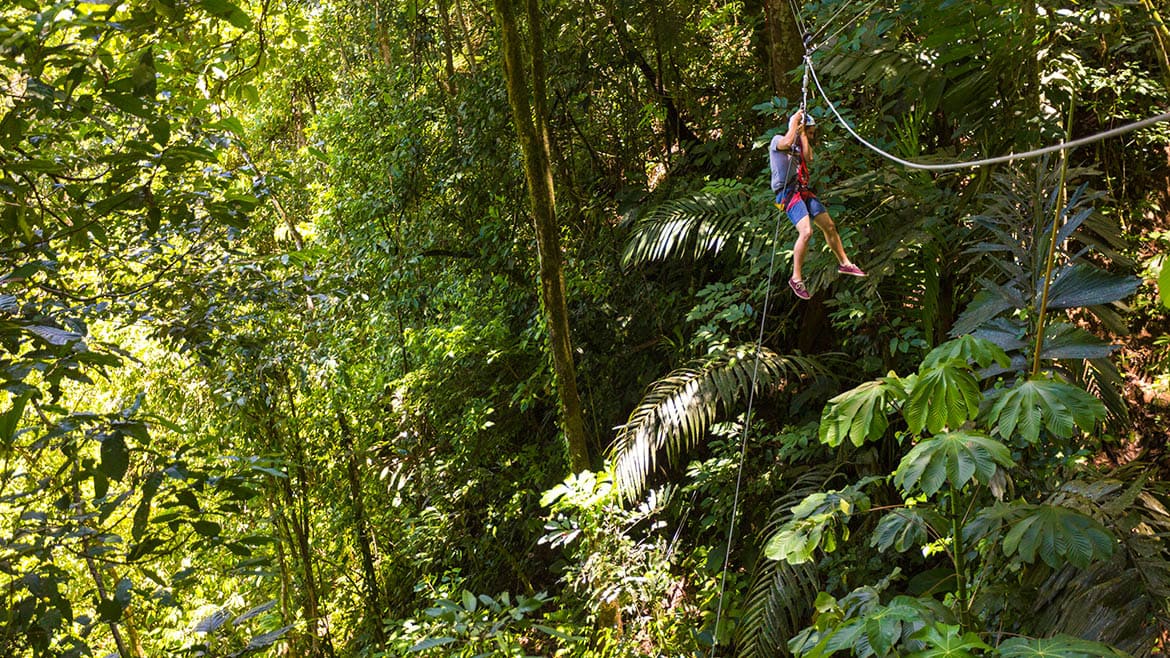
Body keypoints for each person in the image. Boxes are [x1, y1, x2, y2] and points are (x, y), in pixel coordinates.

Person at [770, 109, 865, 300]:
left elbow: (809, 157)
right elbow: (786, 142)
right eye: (810, 132)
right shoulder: (777, 140)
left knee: (829, 225)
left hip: (802, 191)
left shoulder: (798, 145)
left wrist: (803, 134)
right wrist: (794, 124)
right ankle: (796, 277)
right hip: (787, 194)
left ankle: (844, 263)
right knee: (806, 232)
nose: (812, 136)